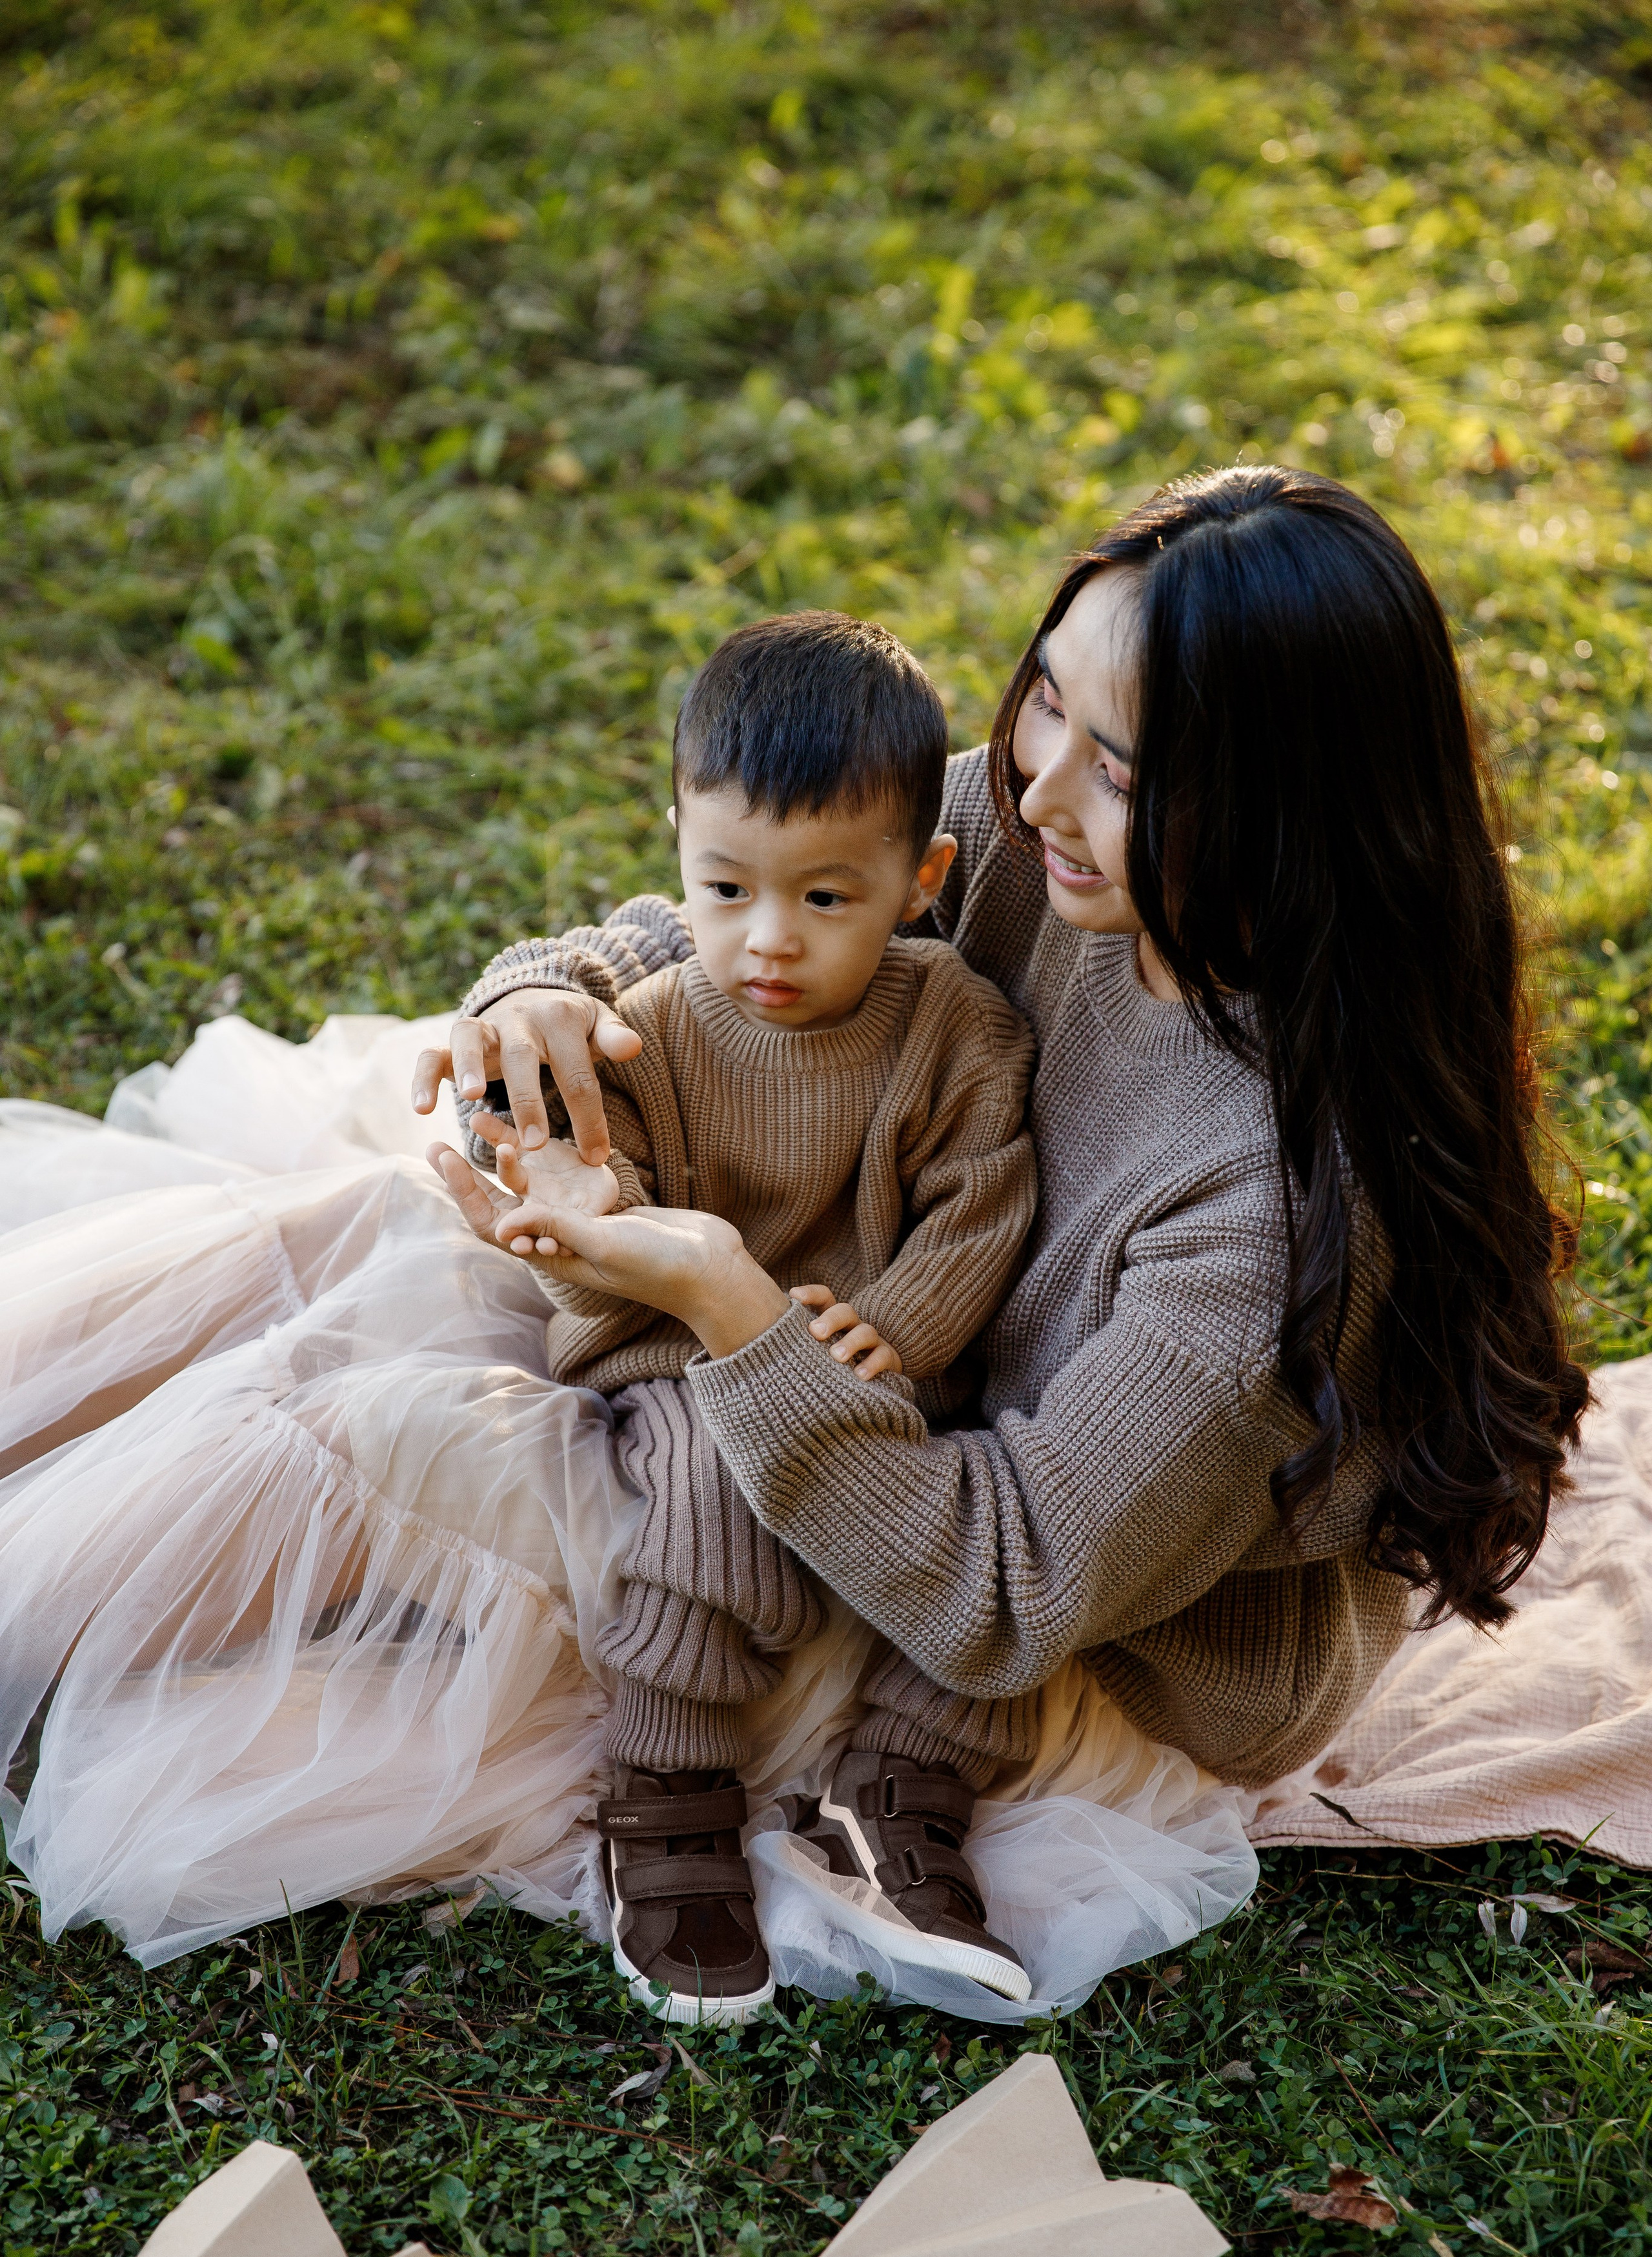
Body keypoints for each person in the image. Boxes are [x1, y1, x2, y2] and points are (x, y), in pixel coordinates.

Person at [425, 463, 1589, 1896]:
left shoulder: (1273, 1220)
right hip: (909, 1407)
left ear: (1278, 815)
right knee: (386, 1371)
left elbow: (1000, 1589)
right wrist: (546, 995)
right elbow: (760, 917)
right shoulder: (1042, 841)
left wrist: (734, 1306)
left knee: (584, 1559)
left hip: (1075, 1626)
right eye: (1047, 695)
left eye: (1118, 767)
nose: (1029, 787)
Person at [445, 610, 1041, 2021]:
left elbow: (983, 1201)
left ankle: (906, 1774)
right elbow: (602, 1200)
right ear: (677, 852)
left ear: (920, 878)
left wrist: (900, 1324)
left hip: (864, 1357)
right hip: (686, 1355)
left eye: (825, 899)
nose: (766, 941)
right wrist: (567, 1218)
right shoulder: (650, 1025)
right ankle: (667, 1781)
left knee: (976, 1533)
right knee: (712, 1509)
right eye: (724, 888)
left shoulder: (956, 1024)